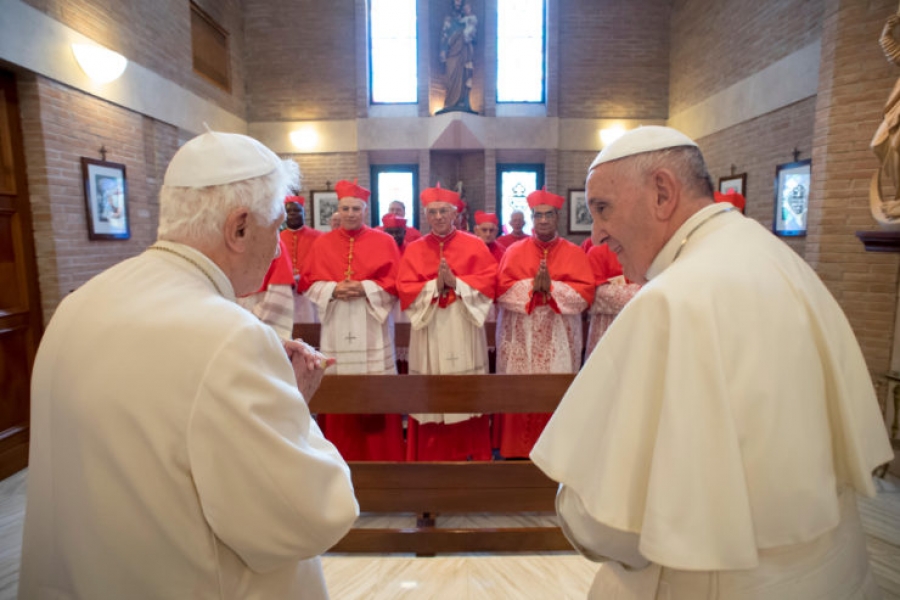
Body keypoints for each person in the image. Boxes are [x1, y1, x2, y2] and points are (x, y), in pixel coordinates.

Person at [531, 126, 894, 600]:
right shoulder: (780, 260)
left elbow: (607, 524)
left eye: (603, 208)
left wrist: (573, 499)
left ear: (662, 192)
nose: (596, 232)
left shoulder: (672, 300)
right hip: (830, 571)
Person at [19, 130, 359, 599]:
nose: (280, 247)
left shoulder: (78, 305)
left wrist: (269, 397)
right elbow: (308, 517)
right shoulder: (231, 336)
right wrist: (294, 411)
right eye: (277, 227)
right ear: (239, 227)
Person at [299, 179, 406, 461]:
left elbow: (396, 283)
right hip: (336, 324)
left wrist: (363, 288)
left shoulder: (383, 241)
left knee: (375, 389)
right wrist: (333, 289)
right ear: (339, 209)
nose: (350, 213)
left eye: (355, 208)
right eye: (345, 208)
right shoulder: (323, 243)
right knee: (339, 385)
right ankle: (340, 454)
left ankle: (382, 456)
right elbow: (309, 282)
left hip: (372, 322)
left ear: (365, 210)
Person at [397, 183, 497, 460]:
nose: (438, 217)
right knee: (431, 390)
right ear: (426, 216)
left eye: (443, 211)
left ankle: (469, 455)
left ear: (455, 213)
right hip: (429, 326)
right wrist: (432, 287)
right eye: (433, 212)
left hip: (462, 322)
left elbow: (490, 282)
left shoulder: (474, 245)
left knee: (466, 391)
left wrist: (457, 284)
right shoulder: (415, 249)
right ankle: (430, 456)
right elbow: (404, 287)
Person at [495, 188, 594, 459]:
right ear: (531, 218)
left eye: (548, 215)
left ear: (557, 217)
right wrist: (531, 288)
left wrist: (551, 289)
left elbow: (585, 294)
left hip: (558, 336)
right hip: (520, 336)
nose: (543, 221)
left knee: (554, 391)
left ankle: (556, 450)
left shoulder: (574, 253)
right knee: (520, 391)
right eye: (537, 215)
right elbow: (501, 291)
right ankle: (515, 449)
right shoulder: (514, 251)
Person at [584, 242, 640, 358]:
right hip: (605, 328)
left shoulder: (649, 250)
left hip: (640, 326)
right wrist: (641, 293)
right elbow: (595, 295)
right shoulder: (597, 252)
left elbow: (661, 287)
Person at [236, 237, 296, 339]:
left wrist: (247, 320)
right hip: (233, 311)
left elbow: (279, 296)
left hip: (263, 308)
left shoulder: (274, 242)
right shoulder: (225, 243)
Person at [281, 194, 322, 323]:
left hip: (309, 292)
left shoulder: (319, 237)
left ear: (304, 212)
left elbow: (321, 264)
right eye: (289, 211)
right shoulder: (276, 239)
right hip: (285, 292)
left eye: (297, 210)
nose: (292, 214)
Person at [438, 0, 476, 113]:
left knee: (464, 74)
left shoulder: (467, 19)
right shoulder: (448, 19)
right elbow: (444, 35)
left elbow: (473, 35)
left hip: (463, 50)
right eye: (456, 3)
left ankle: (463, 101)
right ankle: (450, 101)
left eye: (460, 4)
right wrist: (443, 51)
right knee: (451, 76)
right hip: (452, 51)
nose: (458, 5)